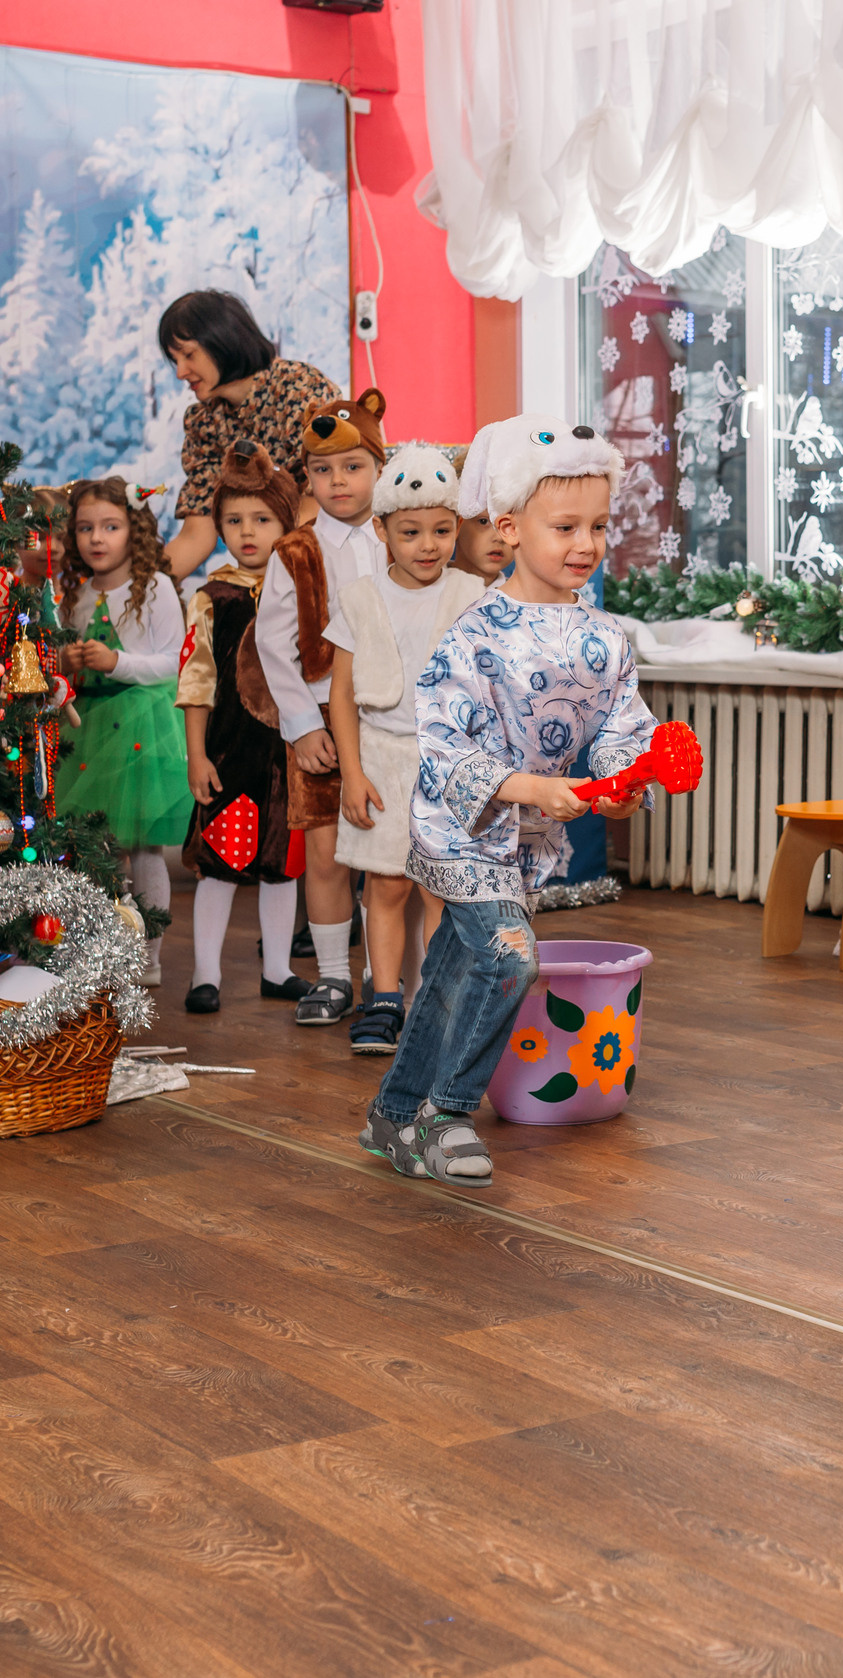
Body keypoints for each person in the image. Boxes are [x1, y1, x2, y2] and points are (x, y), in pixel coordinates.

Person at [359, 416, 655, 1185]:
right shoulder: (475, 634)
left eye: (597, 524)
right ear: (510, 527)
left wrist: (621, 789)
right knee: (511, 958)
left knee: (455, 970)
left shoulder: (609, 640)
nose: (585, 543)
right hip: (461, 828)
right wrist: (530, 789)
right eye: (565, 527)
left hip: (520, 841)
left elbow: (622, 731)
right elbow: (446, 741)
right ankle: (446, 1113)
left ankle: (392, 1117)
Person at [327, 442, 486, 1058]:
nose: (428, 545)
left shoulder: (470, 595)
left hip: (449, 763)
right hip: (384, 758)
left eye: (442, 531)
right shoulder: (363, 599)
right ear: (382, 530)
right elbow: (341, 696)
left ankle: (440, 1004)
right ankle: (384, 999)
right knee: (385, 888)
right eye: (411, 531)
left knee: (440, 890)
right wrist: (351, 773)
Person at [256, 390, 389, 1028]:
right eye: (323, 470)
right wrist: (303, 725)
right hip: (320, 728)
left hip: (391, 720)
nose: (338, 481)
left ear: (380, 468)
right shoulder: (296, 552)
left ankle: (390, 979)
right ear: (306, 476)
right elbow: (271, 646)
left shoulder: (404, 538)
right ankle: (335, 977)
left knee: (393, 853)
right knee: (329, 853)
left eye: (353, 467)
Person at [176, 445, 307, 1014]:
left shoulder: (305, 591)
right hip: (230, 755)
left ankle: (278, 970)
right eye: (234, 520)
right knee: (221, 865)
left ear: (286, 521)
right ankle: (206, 973)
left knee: (282, 864)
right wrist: (197, 756)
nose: (247, 532)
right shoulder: (212, 598)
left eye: (262, 519)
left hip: (293, 755)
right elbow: (196, 680)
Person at [55, 478, 192, 981]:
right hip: (86, 728)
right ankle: (105, 949)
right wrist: (65, 661)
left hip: (138, 727)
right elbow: (60, 665)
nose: (97, 538)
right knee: (97, 849)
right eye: (86, 528)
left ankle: (149, 955)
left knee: (143, 847)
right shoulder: (73, 593)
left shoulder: (152, 587)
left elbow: (171, 663)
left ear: (131, 531)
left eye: (110, 527)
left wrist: (116, 662)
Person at [160, 290, 341, 578]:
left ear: (222, 341)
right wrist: (137, 593)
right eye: (175, 360)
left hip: (323, 566)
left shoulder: (301, 390)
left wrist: (266, 586)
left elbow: (321, 504)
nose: (180, 371)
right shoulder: (204, 423)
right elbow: (196, 535)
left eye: (189, 355)